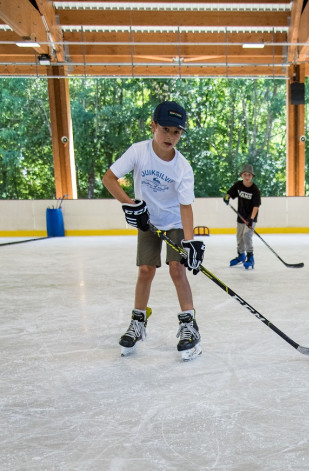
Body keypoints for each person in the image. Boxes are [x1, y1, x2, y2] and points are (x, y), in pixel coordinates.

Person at [102, 100, 205, 360]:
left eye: (177, 132)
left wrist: (190, 243)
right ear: (153, 126)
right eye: (166, 129)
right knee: (145, 270)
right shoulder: (138, 152)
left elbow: (185, 207)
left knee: (176, 268)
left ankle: (189, 326)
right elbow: (109, 178)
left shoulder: (183, 167)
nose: (171, 136)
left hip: (174, 223)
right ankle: (138, 322)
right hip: (147, 221)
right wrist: (130, 205)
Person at [223, 164, 261, 269]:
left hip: (251, 217)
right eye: (245, 174)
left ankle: (250, 257)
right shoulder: (238, 185)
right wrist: (227, 197)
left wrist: (251, 219)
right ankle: (241, 255)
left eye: (249, 175)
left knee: (246, 235)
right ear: (241, 175)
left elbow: (256, 206)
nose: (247, 176)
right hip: (241, 216)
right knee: (239, 237)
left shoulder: (255, 190)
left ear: (252, 176)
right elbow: (229, 193)